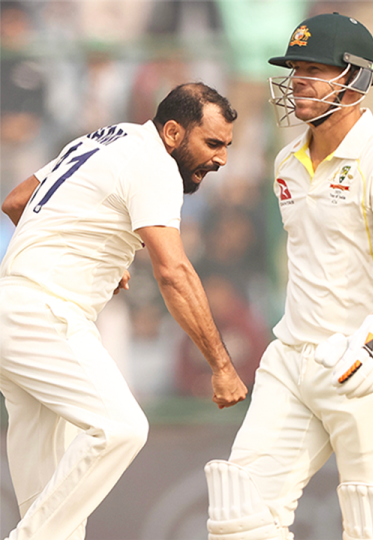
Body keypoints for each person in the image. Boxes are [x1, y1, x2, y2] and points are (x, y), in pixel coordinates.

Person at [204, 13, 373, 540]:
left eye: (314, 69)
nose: (298, 81)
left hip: (367, 364)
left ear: (354, 78)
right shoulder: (287, 160)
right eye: (295, 69)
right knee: (240, 519)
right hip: (292, 360)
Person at [0, 82, 248, 540]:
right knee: (122, 428)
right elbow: (174, 271)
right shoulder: (153, 164)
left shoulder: (105, 137)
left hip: (13, 309)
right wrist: (221, 365)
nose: (221, 159)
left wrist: (91, 253)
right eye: (212, 143)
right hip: (46, 311)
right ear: (173, 132)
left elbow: (16, 201)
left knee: (52, 509)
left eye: (227, 147)